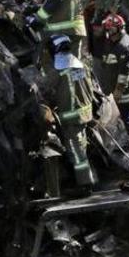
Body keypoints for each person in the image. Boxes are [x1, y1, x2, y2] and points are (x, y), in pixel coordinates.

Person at [42, 34, 98, 194]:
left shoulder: (59, 70)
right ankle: (86, 180)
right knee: (81, 148)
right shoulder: (81, 65)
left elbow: (43, 87)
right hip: (85, 115)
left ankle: (85, 186)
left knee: (76, 152)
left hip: (72, 118)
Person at [93, 13, 129, 135]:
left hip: (126, 90)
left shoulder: (125, 47)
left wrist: (117, 92)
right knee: (116, 118)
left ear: (119, 29)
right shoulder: (112, 42)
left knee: (125, 116)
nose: (108, 32)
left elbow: (124, 74)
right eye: (107, 29)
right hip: (114, 88)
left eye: (111, 29)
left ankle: (127, 142)